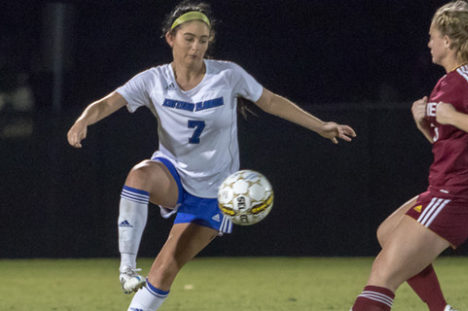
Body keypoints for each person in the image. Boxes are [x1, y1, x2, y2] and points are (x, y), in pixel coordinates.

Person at [67, 1, 356, 310]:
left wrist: (320, 126)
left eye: (203, 40)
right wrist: (84, 120)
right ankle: (126, 267)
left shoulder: (227, 75)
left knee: (165, 269)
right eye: (189, 38)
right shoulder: (153, 80)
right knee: (140, 174)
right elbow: (108, 102)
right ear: (171, 38)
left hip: (217, 191)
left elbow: (270, 101)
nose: (196, 46)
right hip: (174, 174)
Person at [350, 1, 468, 311]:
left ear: (447, 41)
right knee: (386, 233)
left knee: (382, 275)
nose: (429, 43)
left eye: (432, 36)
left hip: (458, 195)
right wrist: (424, 125)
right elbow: (452, 143)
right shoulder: (446, 82)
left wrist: (451, 117)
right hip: (446, 190)